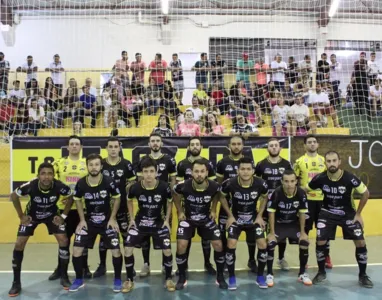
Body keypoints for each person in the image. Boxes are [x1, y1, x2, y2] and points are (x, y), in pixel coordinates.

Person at [305, 151, 373, 288]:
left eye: (334, 160)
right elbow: (305, 189)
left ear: (339, 161)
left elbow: (366, 193)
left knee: (360, 242)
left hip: (348, 214)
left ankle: (363, 275)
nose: (331, 164)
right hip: (327, 213)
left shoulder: (349, 178)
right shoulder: (320, 178)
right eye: (328, 161)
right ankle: (321, 272)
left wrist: (358, 214)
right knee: (321, 240)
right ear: (325, 163)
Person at [8, 163, 73, 296]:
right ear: (38, 175)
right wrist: (21, 216)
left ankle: (64, 276)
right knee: (19, 243)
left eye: (49, 174)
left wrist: (63, 216)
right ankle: (16, 282)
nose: (46, 177)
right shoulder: (31, 185)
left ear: (53, 176)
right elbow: (14, 196)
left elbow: (71, 196)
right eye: (43, 173)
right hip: (32, 216)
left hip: (51, 216)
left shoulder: (59, 185)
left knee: (64, 240)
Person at [173, 159, 231, 290]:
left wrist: (213, 209)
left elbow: (217, 195)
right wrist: (180, 211)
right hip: (188, 219)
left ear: (207, 173)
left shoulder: (214, 185)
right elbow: (175, 193)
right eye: (196, 171)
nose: (199, 174)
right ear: (192, 173)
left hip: (206, 219)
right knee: (181, 244)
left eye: (202, 171)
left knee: (218, 244)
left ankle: (220, 276)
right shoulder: (183, 185)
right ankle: (182, 276)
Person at [69, 154, 123, 292]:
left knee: (116, 250)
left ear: (101, 166)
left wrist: (112, 218)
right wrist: (82, 220)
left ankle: (117, 279)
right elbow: (77, 200)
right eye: (91, 165)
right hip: (89, 222)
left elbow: (117, 198)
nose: (94, 167)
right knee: (76, 250)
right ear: (87, 166)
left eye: (96, 164)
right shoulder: (81, 183)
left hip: (106, 221)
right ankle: (79, 279)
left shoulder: (109, 181)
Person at [122, 157, 175, 293]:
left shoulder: (164, 187)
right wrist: (132, 219)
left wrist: (166, 220)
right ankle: (129, 280)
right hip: (140, 222)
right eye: (146, 171)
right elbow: (128, 200)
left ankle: (168, 278)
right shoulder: (135, 187)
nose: (149, 175)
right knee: (127, 248)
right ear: (142, 173)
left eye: (152, 171)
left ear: (156, 172)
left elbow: (170, 202)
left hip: (158, 222)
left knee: (167, 250)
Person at [222, 157, 269, 290]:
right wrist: (230, 215)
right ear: (238, 171)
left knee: (262, 243)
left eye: (248, 169)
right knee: (231, 243)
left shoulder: (261, 183)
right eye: (242, 169)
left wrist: (259, 216)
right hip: (236, 218)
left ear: (253, 171)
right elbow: (221, 196)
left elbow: (265, 197)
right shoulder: (229, 183)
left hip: (253, 218)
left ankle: (260, 276)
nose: (245, 172)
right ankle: (231, 277)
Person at [93, 137, 136, 278]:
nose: (113, 149)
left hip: (122, 207)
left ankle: (130, 266)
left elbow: (132, 182)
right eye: (110, 146)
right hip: (104, 209)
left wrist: (125, 191)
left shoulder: (126, 164)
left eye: (115, 146)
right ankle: (102, 265)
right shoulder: (101, 164)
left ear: (119, 148)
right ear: (106, 148)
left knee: (126, 237)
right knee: (104, 238)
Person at [49, 136, 90, 281]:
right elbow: (48, 180)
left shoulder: (87, 163)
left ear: (81, 147)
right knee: (63, 240)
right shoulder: (58, 163)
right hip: (63, 208)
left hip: (82, 209)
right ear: (67, 147)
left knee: (82, 239)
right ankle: (60, 269)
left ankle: (85, 268)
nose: (74, 146)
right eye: (71, 144)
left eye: (77, 144)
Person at [135, 133, 177, 276]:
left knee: (164, 233)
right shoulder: (142, 160)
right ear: (149, 144)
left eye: (157, 141)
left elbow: (173, 180)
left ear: (161, 143)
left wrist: (170, 194)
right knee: (145, 235)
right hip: (146, 203)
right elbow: (139, 181)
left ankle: (165, 265)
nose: (155, 143)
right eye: (152, 141)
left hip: (163, 203)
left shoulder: (169, 160)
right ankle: (146, 264)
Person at [216, 136, 257, 273]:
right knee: (223, 234)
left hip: (245, 205)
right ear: (229, 146)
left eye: (239, 144)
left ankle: (252, 260)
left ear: (243, 146)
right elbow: (219, 185)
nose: (236, 146)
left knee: (251, 235)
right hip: (226, 206)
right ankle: (226, 261)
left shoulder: (249, 162)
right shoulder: (222, 162)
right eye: (233, 144)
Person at [176, 137, 216, 275]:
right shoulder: (182, 164)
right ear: (188, 147)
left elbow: (214, 188)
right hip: (188, 206)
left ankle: (207, 263)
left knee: (206, 238)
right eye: (192, 144)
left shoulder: (208, 164)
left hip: (204, 206)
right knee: (186, 238)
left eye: (197, 144)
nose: (194, 146)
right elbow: (177, 188)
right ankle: (184, 265)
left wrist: (213, 209)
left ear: (201, 146)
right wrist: (180, 210)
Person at [266, 170, 311, 287]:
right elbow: (271, 213)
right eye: (286, 181)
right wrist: (271, 232)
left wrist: (302, 232)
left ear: (296, 181)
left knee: (304, 242)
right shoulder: (276, 193)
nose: (289, 184)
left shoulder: (301, 193)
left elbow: (302, 213)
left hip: (293, 224)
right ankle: (269, 274)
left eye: (292, 181)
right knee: (270, 243)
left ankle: (302, 273)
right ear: (282, 182)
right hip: (278, 224)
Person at [293, 135, 332, 268]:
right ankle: (304, 259)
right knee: (305, 231)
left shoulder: (324, 160)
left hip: (323, 201)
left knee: (324, 231)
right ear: (304, 145)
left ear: (318, 144)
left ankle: (326, 256)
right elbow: (293, 181)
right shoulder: (299, 161)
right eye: (309, 142)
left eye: (314, 142)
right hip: (307, 202)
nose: (312, 144)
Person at [255, 138, 292, 271]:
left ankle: (281, 258)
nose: (274, 148)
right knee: (261, 231)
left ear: (280, 148)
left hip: (281, 204)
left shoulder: (287, 164)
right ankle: (262, 257)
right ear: (268, 148)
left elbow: (291, 183)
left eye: (276, 145)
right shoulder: (261, 164)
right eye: (271, 146)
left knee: (280, 233)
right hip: (265, 203)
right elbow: (256, 183)